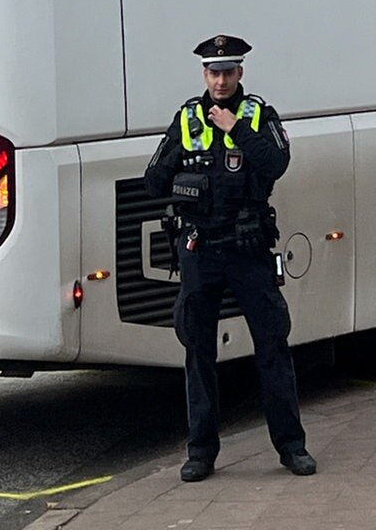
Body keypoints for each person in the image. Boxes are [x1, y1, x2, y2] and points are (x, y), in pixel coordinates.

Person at [144, 35, 315, 482]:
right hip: (201, 251)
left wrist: (234, 128)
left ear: (240, 73)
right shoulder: (186, 118)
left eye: (228, 72)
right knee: (198, 352)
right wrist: (183, 172)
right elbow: (153, 179)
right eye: (213, 72)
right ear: (204, 75)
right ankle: (200, 452)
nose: (220, 80)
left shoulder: (258, 114)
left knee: (273, 346)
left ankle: (291, 447)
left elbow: (276, 162)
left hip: (248, 252)